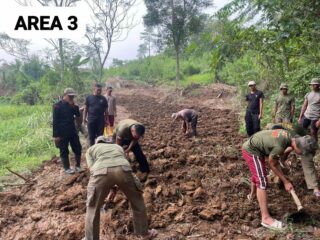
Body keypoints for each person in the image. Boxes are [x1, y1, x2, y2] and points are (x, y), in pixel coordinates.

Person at [241, 129, 317, 230]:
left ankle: (252, 195)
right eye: (302, 152)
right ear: (298, 146)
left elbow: (281, 151)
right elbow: (272, 164)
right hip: (252, 150)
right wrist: (286, 182)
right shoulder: (280, 145)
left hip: (256, 145)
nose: (301, 154)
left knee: (257, 173)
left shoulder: (289, 136)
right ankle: (266, 218)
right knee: (262, 181)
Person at [85, 136, 157, 240]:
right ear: (109, 142)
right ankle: (144, 233)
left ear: (97, 143)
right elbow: (120, 163)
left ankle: (90, 238)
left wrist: (106, 185)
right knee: (137, 200)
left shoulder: (91, 149)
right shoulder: (117, 147)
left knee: (92, 207)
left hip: (100, 172)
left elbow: (91, 168)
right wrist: (114, 184)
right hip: (123, 169)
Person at [266, 122, 320, 197]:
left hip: (306, 143)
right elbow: (268, 125)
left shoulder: (291, 134)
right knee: (279, 152)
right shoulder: (275, 127)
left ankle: (315, 188)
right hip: (292, 141)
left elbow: (293, 147)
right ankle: (279, 170)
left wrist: (278, 153)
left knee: (307, 163)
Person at [52, 88, 82, 174]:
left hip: (72, 130)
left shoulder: (72, 106)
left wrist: (74, 106)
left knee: (77, 147)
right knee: (64, 150)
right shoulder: (57, 106)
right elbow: (55, 121)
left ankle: (78, 166)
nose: (72, 98)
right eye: (70, 96)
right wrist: (56, 136)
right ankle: (67, 168)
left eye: (73, 96)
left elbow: (77, 115)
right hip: (62, 132)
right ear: (65, 95)